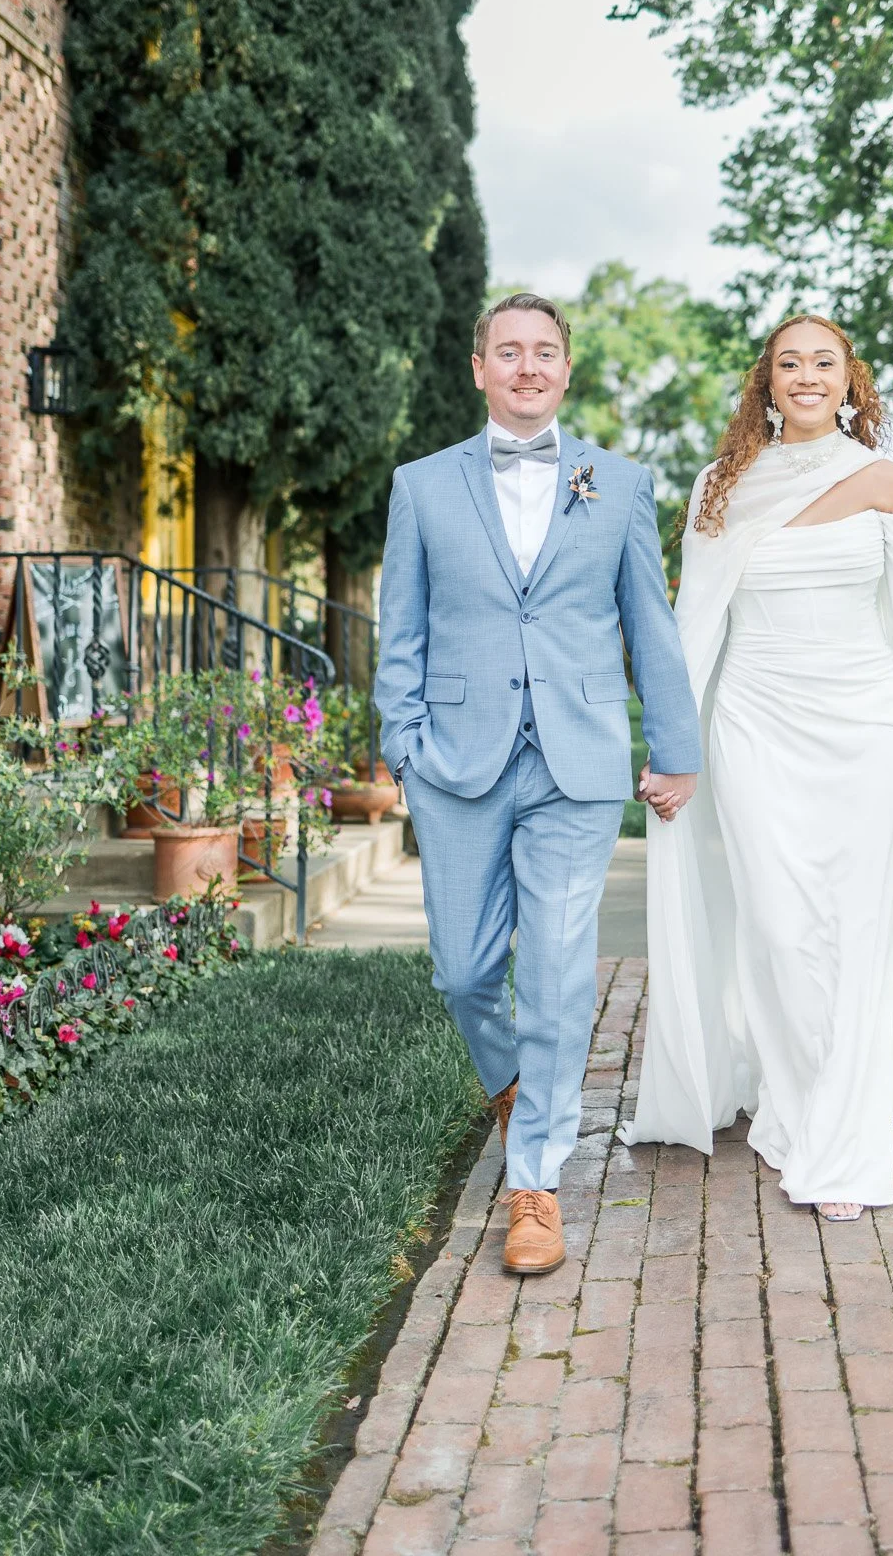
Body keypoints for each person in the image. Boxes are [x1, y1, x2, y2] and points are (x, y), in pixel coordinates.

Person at [623, 314, 893, 1219]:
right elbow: (690, 627)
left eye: (824, 362)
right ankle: (791, 1098)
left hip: (870, 726)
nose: (807, 376)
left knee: (855, 928)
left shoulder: (888, 481)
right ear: (766, 383)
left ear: (851, 380)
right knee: (779, 932)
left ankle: (843, 1142)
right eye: (790, 364)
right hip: (752, 722)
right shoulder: (721, 484)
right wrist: (674, 746)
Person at [375, 293, 701, 1275]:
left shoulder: (622, 482)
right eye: (507, 351)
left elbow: (651, 621)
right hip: (459, 762)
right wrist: (405, 744)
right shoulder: (423, 485)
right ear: (478, 368)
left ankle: (536, 1180)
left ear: (566, 369)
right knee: (465, 971)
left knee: (558, 967)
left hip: (579, 759)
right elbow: (403, 628)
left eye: (544, 351)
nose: (526, 366)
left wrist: (673, 745)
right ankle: (515, 1081)